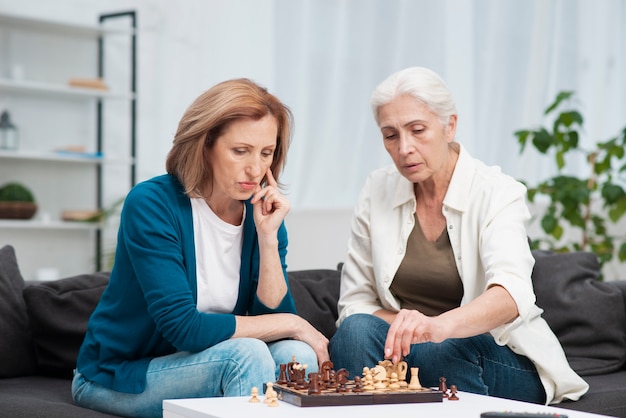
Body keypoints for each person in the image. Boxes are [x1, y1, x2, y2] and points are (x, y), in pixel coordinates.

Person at [329, 67, 589, 405]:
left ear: (450, 125)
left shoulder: (497, 191)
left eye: (417, 130)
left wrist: (437, 327)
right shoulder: (377, 189)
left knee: (442, 351)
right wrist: (414, 328)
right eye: (390, 135)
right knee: (353, 334)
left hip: (496, 353)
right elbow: (354, 303)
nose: (404, 147)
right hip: (413, 352)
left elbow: (512, 294)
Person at [72, 78, 329, 418]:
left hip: (203, 361)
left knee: (297, 356)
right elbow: (183, 327)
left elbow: (270, 322)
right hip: (119, 374)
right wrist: (294, 323)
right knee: (247, 355)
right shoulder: (152, 204)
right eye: (240, 151)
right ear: (204, 145)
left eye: (266, 153)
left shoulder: (262, 214)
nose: (256, 168)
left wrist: (268, 240)